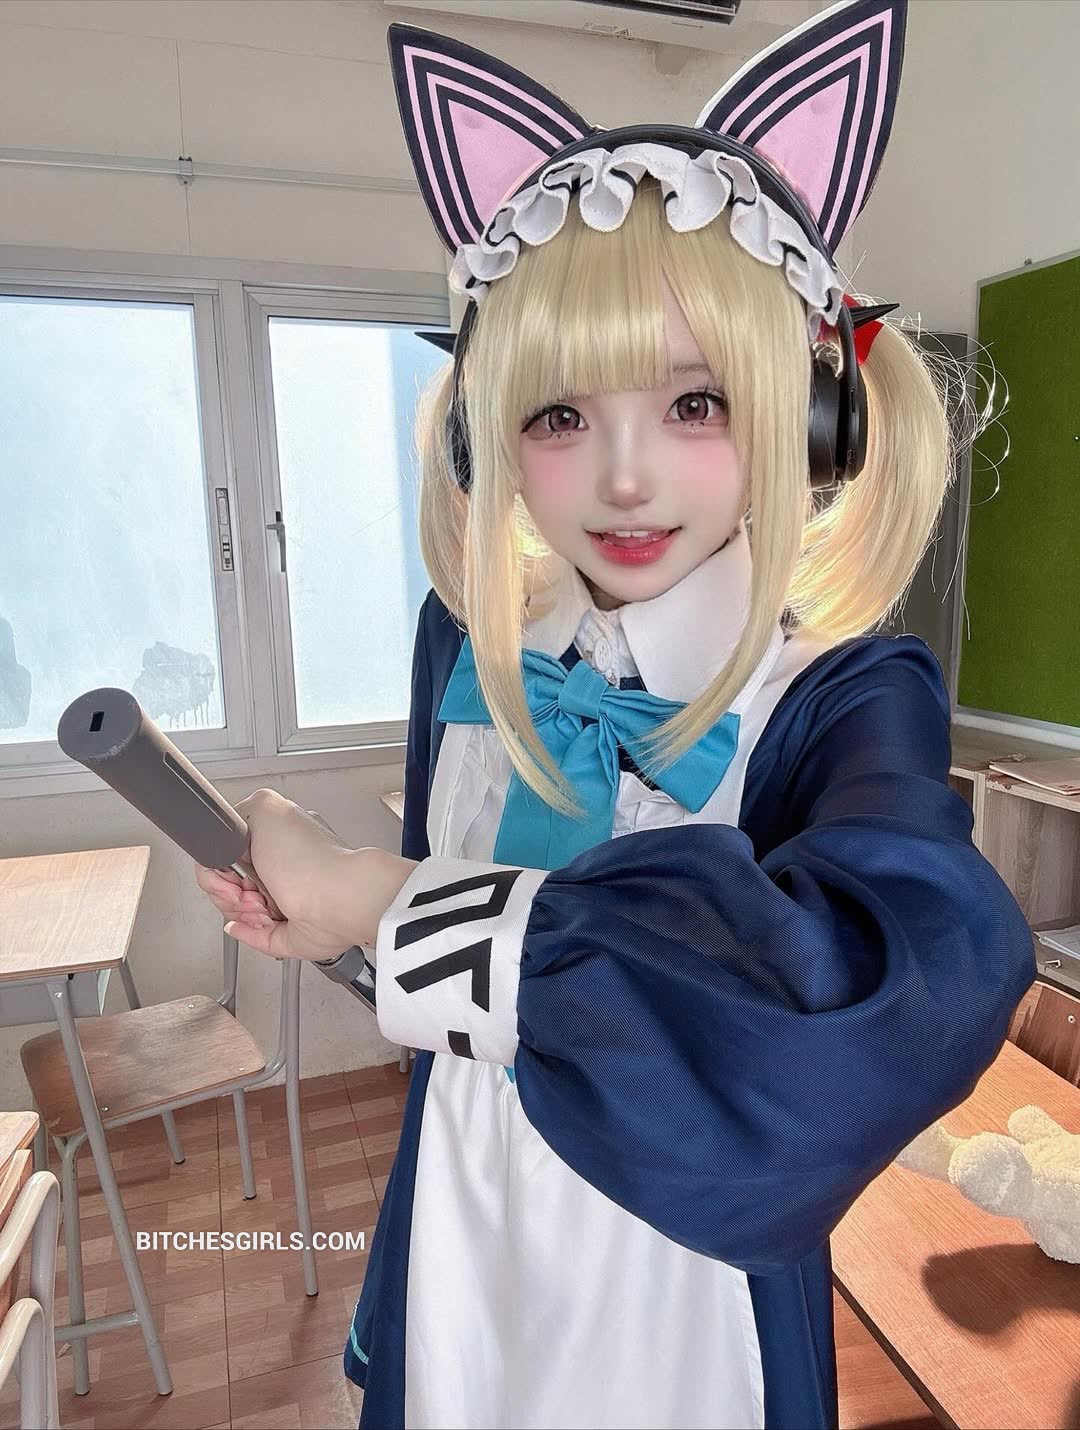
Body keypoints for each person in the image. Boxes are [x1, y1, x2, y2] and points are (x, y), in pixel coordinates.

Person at [196, 1, 1036, 1425]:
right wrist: (338, 921)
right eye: (559, 415)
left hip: (680, 1283)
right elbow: (456, 993)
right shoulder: (462, 645)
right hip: (462, 1233)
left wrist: (394, 899)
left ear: (813, 420)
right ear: (487, 438)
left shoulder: (841, 695)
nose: (625, 477)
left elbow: (892, 1001)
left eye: (697, 403)